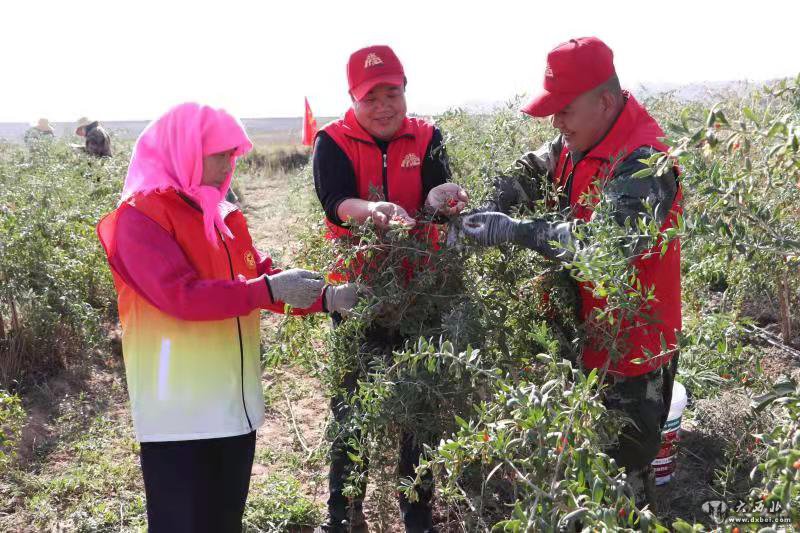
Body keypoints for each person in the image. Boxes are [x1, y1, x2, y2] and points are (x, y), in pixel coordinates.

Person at [96, 102, 359, 533]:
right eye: (218, 153)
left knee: (223, 520)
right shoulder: (139, 219)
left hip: (233, 407)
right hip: (178, 414)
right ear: (184, 151)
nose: (228, 164)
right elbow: (179, 296)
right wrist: (266, 289)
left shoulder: (220, 214)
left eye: (232, 153)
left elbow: (260, 279)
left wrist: (328, 298)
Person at [460, 37, 681, 507]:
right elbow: (533, 167)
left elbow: (604, 246)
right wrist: (489, 204)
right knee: (577, 470)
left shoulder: (645, 160)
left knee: (621, 481)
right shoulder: (579, 137)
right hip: (583, 334)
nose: (556, 122)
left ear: (604, 101)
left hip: (631, 351)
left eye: (564, 110)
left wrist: (515, 231)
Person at [312, 45, 468, 533]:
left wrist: (443, 199)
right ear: (353, 99)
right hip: (357, 296)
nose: (384, 105)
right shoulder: (332, 141)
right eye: (371, 95)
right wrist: (372, 211)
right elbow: (334, 200)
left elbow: (438, 195)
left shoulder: (426, 136)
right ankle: (345, 514)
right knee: (352, 406)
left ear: (405, 91)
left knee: (421, 409)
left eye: (392, 92)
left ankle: (417, 514)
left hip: (423, 293)